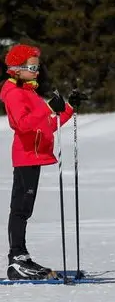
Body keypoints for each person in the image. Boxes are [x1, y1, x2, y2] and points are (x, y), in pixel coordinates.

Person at [0, 44, 77, 280]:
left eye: (37, 66)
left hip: (35, 156)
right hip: (25, 156)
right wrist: (46, 108)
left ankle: (20, 257)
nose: (36, 71)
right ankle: (17, 260)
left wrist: (68, 107)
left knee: (25, 208)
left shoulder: (29, 91)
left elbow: (47, 125)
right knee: (20, 209)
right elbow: (22, 124)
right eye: (32, 67)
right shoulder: (13, 93)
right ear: (17, 69)